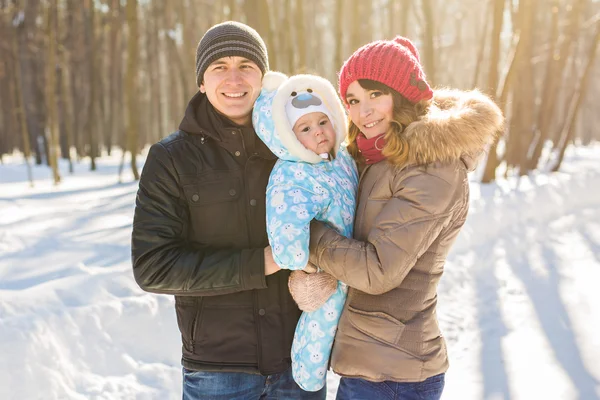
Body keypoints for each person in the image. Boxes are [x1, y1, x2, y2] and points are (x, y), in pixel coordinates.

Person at [290, 36, 504, 399]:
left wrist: (308, 236)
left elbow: (377, 270)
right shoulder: (378, 158)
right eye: (353, 101)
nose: (363, 111)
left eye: (375, 95)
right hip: (371, 362)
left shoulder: (431, 168)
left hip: (394, 375)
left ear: (402, 95)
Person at [131, 21, 325, 400]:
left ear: (263, 77)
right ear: (202, 81)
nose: (233, 78)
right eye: (219, 66)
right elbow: (153, 267)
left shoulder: (295, 147)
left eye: (246, 66)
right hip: (218, 372)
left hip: (300, 360)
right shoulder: (171, 159)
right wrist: (260, 263)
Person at [252, 72, 358, 391]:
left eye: (322, 122)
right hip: (327, 272)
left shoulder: (341, 160)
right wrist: (305, 264)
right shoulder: (294, 173)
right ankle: (308, 377)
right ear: (288, 137)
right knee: (322, 321)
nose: (319, 132)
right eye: (305, 128)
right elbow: (285, 223)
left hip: (354, 259)